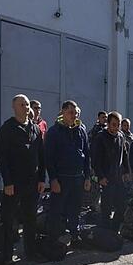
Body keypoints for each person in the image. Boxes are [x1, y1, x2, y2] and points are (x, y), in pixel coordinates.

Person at [0, 95, 45, 262]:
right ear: (14, 108)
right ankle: (7, 257)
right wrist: (7, 182)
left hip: (32, 183)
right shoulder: (7, 129)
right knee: (10, 221)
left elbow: (41, 155)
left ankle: (31, 253)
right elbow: (1, 157)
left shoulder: (35, 129)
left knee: (30, 219)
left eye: (26, 104)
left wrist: (41, 179)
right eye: (22, 104)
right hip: (14, 184)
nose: (25, 107)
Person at [45, 100, 91, 242]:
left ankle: (74, 236)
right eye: (71, 112)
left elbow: (86, 154)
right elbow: (49, 157)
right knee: (57, 210)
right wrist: (53, 179)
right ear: (63, 112)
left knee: (75, 209)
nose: (74, 116)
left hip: (78, 177)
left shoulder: (81, 130)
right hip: (61, 178)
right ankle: (54, 238)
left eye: (76, 113)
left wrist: (88, 177)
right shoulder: (54, 132)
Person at [92, 111, 131, 231]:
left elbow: (124, 154)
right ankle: (106, 233)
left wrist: (126, 171)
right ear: (108, 124)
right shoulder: (100, 137)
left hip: (118, 177)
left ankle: (114, 230)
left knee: (122, 205)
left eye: (118, 124)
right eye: (114, 124)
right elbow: (95, 160)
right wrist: (100, 176)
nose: (116, 127)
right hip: (106, 178)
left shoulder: (120, 136)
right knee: (106, 208)